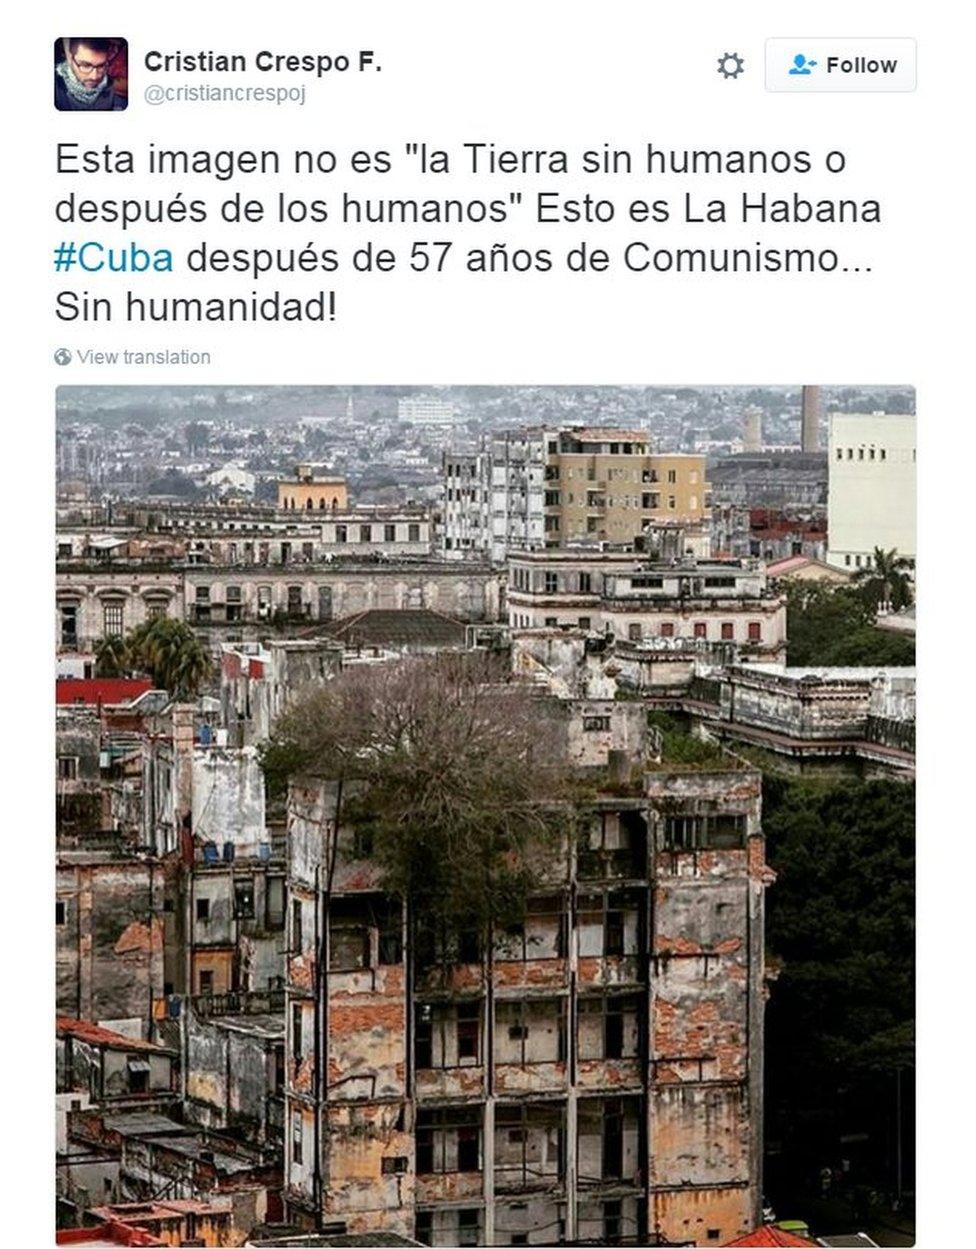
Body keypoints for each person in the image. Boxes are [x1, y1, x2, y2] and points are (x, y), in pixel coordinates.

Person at [54, 38, 126, 111]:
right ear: (70, 59)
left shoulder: (110, 86)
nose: (94, 77)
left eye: (101, 65)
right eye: (85, 65)